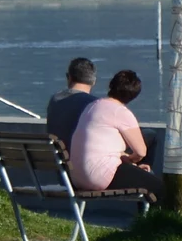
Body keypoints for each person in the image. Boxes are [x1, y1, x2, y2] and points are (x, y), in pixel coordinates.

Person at [69, 68, 160, 197]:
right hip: (100, 176)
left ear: (111, 86)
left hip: (77, 178)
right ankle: (147, 215)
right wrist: (131, 161)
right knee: (158, 188)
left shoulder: (92, 106)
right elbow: (141, 152)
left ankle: (142, 173)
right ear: (134, 95)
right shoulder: (120, 112)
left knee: (148, 138)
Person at [46, 58, 98, 158]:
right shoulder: (94, 104)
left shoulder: (55, 99)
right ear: (93, 81)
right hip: (83, 162)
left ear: (68, 77)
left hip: (58, 161)